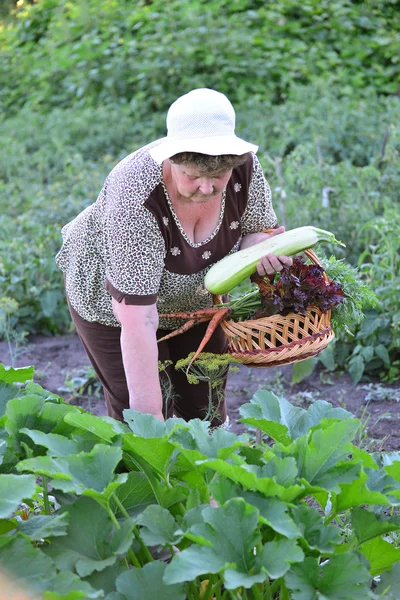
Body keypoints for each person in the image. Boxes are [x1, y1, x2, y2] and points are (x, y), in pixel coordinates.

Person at [56, 88, 292, 427]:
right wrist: (151, 426)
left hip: (194, 300)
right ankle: (144, 476)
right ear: (172, 159)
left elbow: (254, 231)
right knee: (142, 412)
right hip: (113, 306)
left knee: (206, 405)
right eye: (194, 177)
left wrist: (261, 251)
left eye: (217, 177)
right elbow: (139, 320)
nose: (207, 188)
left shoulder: (243, 171)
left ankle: (208, 474)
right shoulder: (136, 198)